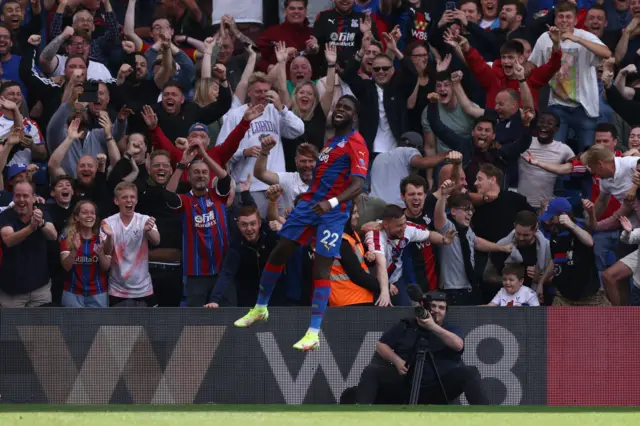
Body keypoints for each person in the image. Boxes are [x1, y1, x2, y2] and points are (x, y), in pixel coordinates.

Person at [233, 95, 368, 352]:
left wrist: (332, 202)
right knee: (279, 251)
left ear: (355, 116)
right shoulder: (331, 142)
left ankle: (314, 332)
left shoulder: (356, 143)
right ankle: (260, 307)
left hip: (332, 213)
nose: (340, 110)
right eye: (338, 106)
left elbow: (358, 184)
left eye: (347, 108)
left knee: (321, 268)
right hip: (308, 205)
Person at [350, 291, 489, 404]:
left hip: (438, 386)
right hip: (406, 384)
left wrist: (433, 327)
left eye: (441, 308)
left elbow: (458, 345)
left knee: (470, 372)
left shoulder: (450, 329)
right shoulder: (406, 325)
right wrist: (397, 361)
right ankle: (362, 414)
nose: (436, 311)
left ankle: (484, 416)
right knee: (371, 371)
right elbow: (381, 345)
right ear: (425, 307)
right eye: (433, 306)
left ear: (446, 311)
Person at [164, 140, 233, 307]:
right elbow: (167, 195)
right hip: (196, 273)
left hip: (223, 270)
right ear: (189, 176)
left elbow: (225, 178)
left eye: (204, 172)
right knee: (196, 323)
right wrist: (182, 164)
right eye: (196, 172)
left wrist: (205, 155)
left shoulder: (218, 196)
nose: (200, 175)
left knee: (229, 319)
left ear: (209, 177)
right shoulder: (185, 200)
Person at [434, 180, 513, 305]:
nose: (470, 213)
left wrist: (501, 248)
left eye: (471, 210)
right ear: (453, 211)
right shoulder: (446, 227)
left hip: (469, 287)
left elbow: (476, 242)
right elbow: (438, 215)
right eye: (466, 209)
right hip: (452, 290)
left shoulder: (467, 230)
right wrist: (443, 196)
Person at [364, 204, 456, 307]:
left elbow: (429, 235)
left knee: (405, 310)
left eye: (404, 223)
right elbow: (381, 264)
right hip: (373, 281)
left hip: (395, 279)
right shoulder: (375, 235)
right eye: (399, 225)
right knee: (376, 314)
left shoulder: (408, 228)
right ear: (385, 224)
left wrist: (443, 239)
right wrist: (385, 291)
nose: (403, 228)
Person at [538, 198, 610, 306]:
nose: (547, 221)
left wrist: (571, 225)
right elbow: (555, 260)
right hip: (563, 297)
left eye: (551, 218)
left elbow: (590, 242)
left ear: (563, 215)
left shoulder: (580, 228)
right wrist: (541, 282)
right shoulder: (555, 233)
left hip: (589, 299)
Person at [100, 182, 160, 307]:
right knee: (120, 327)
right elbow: (106, 251)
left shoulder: (145, 219)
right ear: (116, 201)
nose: (129, 200)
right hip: (117, 289)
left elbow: (157, 241)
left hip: (144, 288)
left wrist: (148, 231)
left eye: (132, 197)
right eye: (124, 197)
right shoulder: (108, 223)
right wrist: (110, 236)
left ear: (136, 200)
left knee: (147, 326)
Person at [0, 180, 58, 307]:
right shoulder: (5, 216)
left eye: (25, 196)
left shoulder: (42, 212)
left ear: (33, 198)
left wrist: (41, 223)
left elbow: (53, 236)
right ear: (13, 197)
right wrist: (31, 227)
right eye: (17, 195)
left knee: (42, 326)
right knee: (10, 326)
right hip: (11, 290)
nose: (21, 200)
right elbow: (8, 240)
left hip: (40, 288)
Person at [60, 200, 111, 308]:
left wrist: (101, 254)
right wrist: (74, 250)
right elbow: (66, 267)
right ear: (76, 217)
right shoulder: (68, 237)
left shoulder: (101, 238)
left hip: (98, 293)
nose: (89, 216)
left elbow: (106, 267)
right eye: (85, 212)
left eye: (92, 213)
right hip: (72, 293)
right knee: (72, 325)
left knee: (97, 325)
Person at [329, 202, 380, 307]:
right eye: (354, 213)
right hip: (348, 300)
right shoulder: (340, 240)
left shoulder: (351, 234)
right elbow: (356, 274)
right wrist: (383, 287)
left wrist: (368, 258)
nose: (358, 216)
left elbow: (358, 262)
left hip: (358, 297)